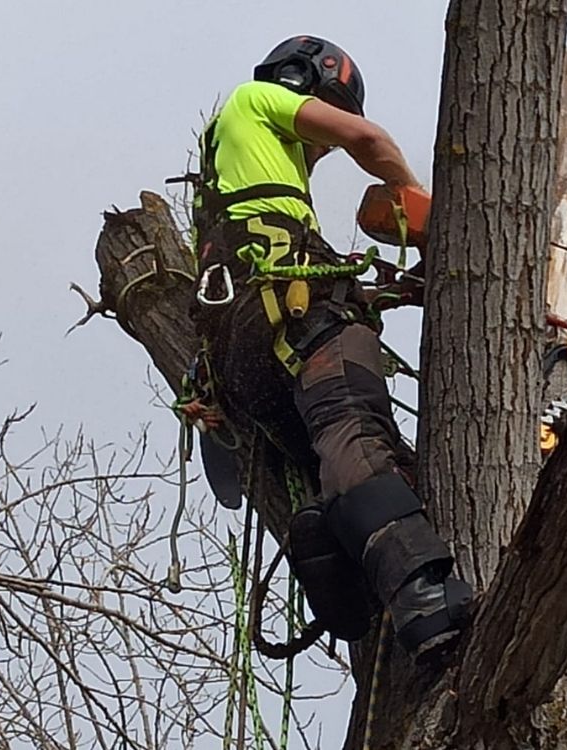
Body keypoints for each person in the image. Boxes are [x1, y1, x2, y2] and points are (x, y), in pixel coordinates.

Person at [188, 35, 470, 662]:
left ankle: (346, 566)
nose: (321, 151)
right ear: (304, 85)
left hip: (246, 364)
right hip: (296, 325)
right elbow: (369, 140)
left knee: (351, 469)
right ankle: (423, 598)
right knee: (356, 440)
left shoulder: (227, 185)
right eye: (322, 128)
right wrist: (416, 207)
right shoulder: (255, 99)